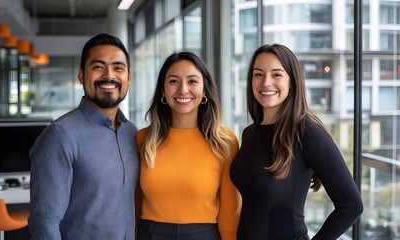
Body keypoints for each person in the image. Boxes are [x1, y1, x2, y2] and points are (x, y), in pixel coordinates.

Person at [230, 44, 363, 240]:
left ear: (292, 81)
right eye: (258, 74)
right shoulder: (250, 133)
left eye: (276, 75)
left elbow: (351, 205)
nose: (266, 82)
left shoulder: (307, 132)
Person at [28, 33, 139, 239]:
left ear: (128, 78)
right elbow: (45, 223)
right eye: (98, 67)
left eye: (118, 68)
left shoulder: (132, 133)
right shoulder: (60, 135)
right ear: (81, 75)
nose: (109, 75)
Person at [135, 52, 241, 240]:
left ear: (205, 90)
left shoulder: (225, 142)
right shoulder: (143, 139)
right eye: (174, 81)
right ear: (163, 90)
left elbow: (230, 212)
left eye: (192, 81)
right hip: (150, 235)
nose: (183, 90)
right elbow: (134, 203)